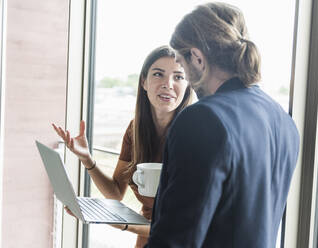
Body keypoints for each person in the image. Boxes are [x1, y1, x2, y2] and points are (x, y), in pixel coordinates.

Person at [145, 3, 300, 247]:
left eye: (182, 66)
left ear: (197, 58)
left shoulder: (203, 119)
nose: (185, 76)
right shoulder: (283, 121)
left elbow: (176, 239)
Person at [52, 45, 194, 248]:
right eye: (158, 74)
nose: (168, 84)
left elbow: (182, 224)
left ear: (188, 85)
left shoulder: (193, 135)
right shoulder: (136, 129)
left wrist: (125, 225)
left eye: (178, 77)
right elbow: (116, 192)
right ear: (144, 82)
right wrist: (87, 159)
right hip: (148, 239)